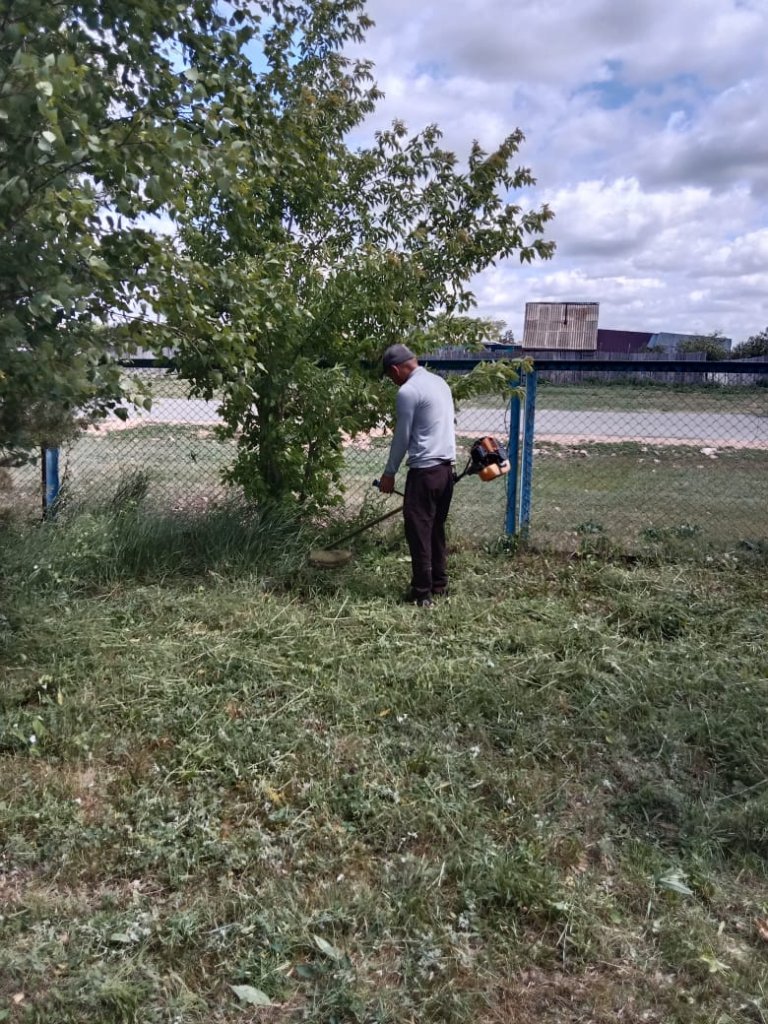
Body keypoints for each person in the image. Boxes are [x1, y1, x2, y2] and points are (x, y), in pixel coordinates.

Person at [379, 344, 456, 607]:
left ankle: (422, 593)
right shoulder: (440, 383)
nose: (393, 381)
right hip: (446, 471)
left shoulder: (408, 391)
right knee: (435, 529)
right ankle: (439, 584)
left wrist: (389, 473)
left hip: (424, 472)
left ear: (395, 369)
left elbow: (402, 436)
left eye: (390, 376)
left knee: (419, 531)